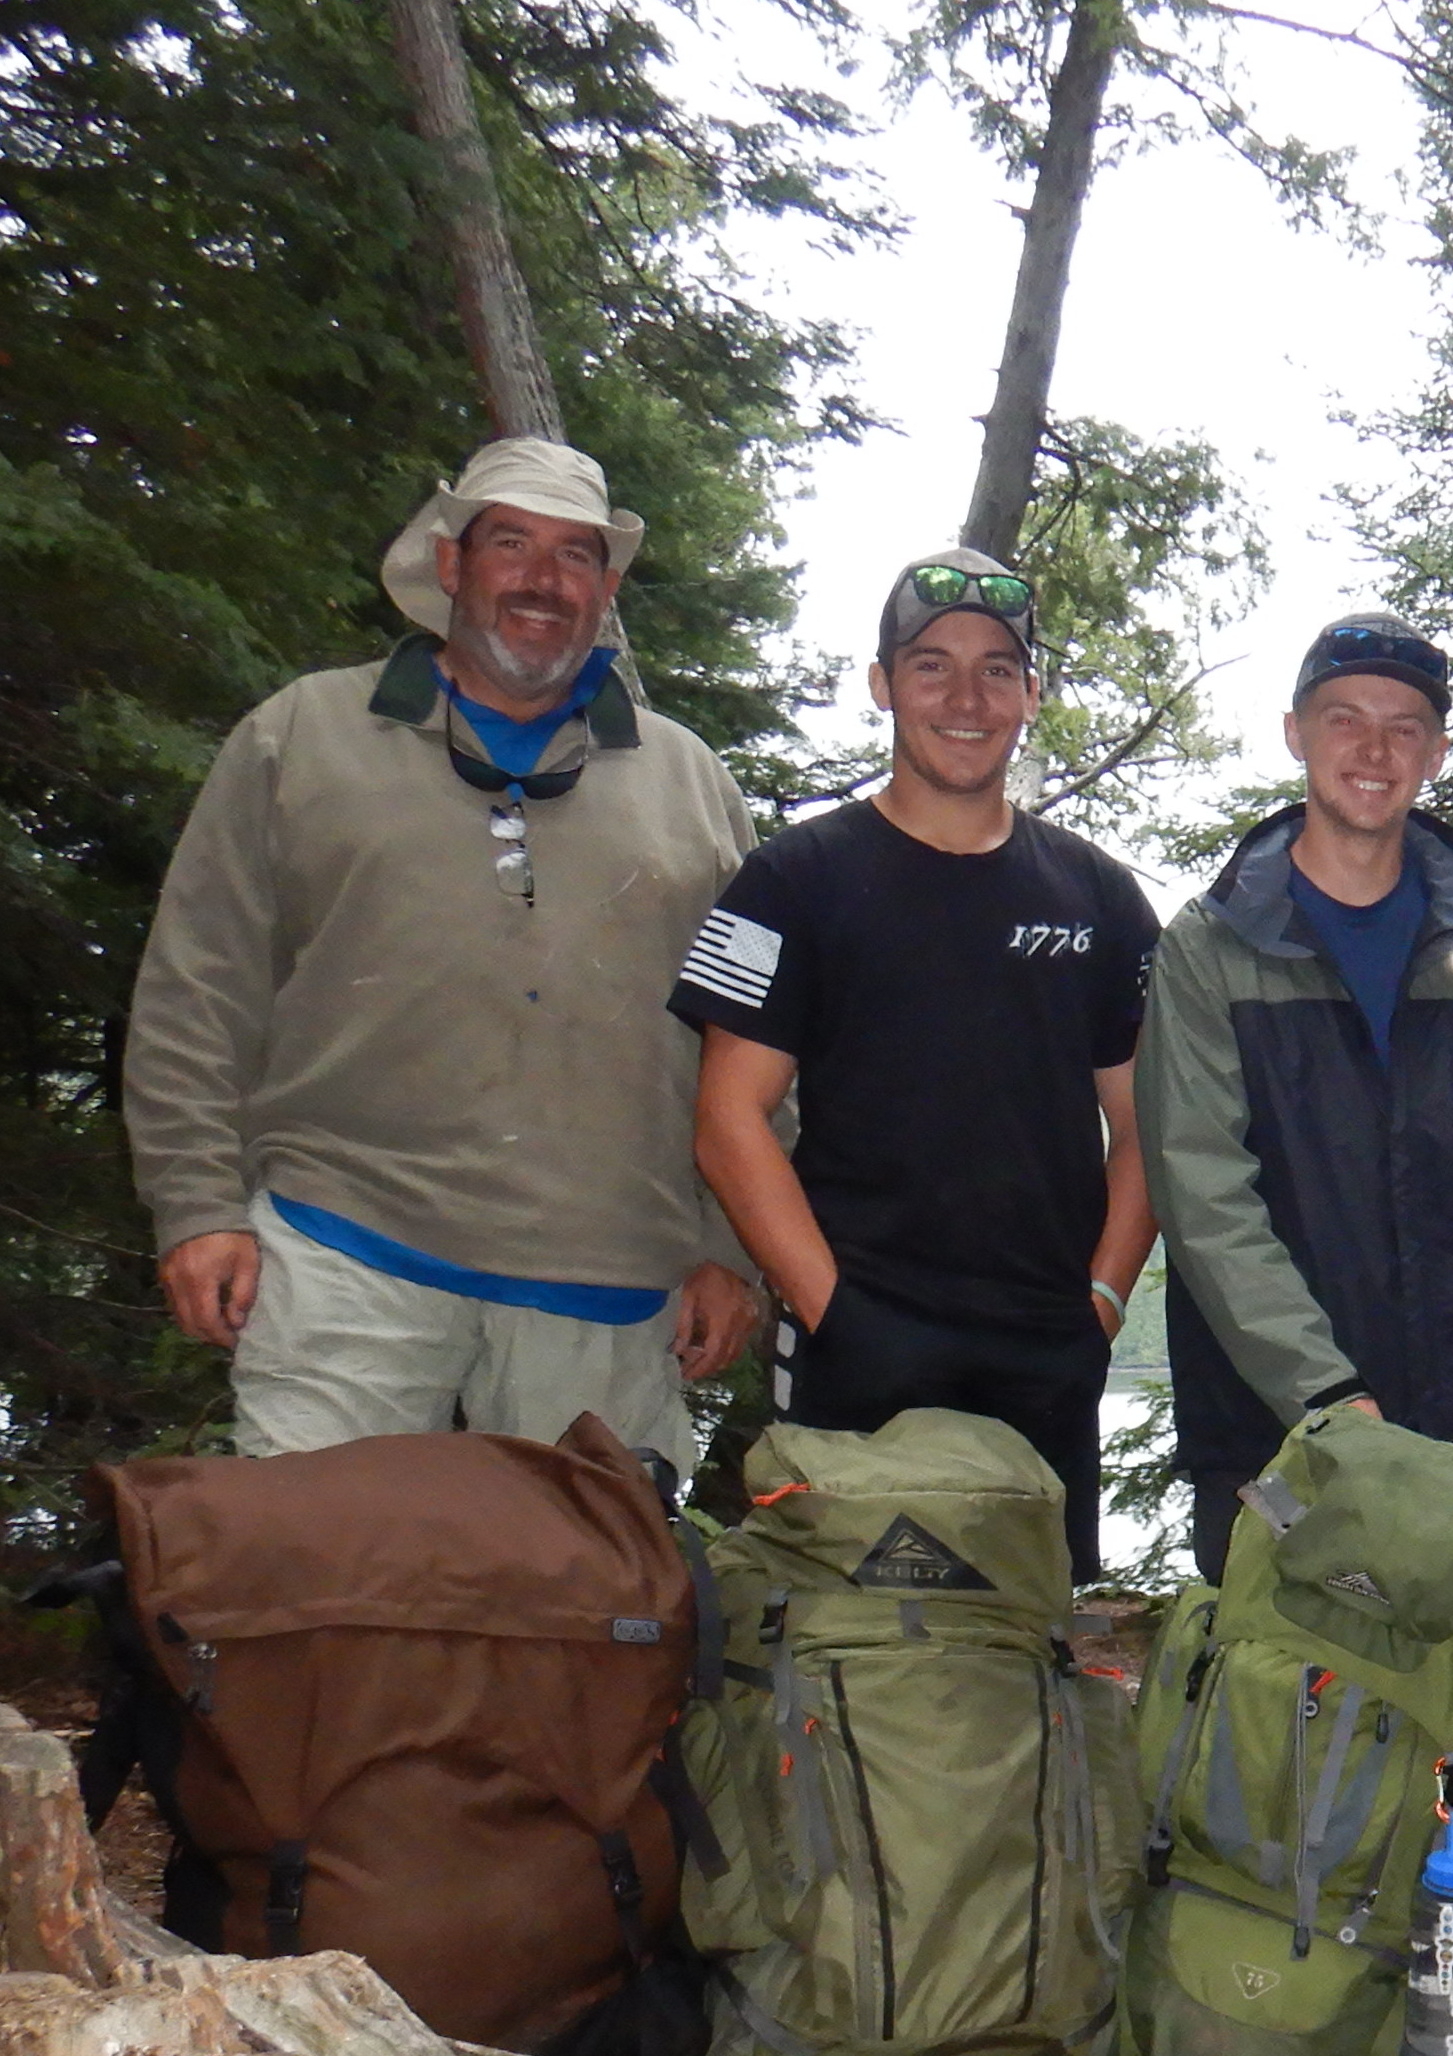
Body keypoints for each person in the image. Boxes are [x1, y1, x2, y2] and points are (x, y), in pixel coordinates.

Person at [126, 436, 761, 1473]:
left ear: (604, 591)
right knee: (317, 1595)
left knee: (589, 1618)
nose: (543, 579)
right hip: (343, 1246)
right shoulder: (300, 736)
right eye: (510, 541)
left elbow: (757, 1048)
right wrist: (196, 1206)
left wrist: (733, 1252)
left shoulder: (690, 783)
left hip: (605, 1280)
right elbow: (201, 988)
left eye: (576, 555)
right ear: (451, 563)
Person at [670, 547, 1160, 1582]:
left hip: (1045, 1350)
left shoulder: (1099, 899)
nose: (966, 696)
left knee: (1032, 1654)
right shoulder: (790, 881)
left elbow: (1147, 1127)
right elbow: (729, 1119)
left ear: (1031, 693)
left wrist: (1102, 1306)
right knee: (846, 1653)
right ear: (883, 685)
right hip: (860, 1341)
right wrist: (834, 1312)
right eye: (931, 665)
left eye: (997, 668)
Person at [1138, 610, 1453, 1576]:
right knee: (1277, 1709)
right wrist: (1326, 1397)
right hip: (1277, 1434)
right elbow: (1203, 1197)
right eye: (1343, 718)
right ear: (1296, 733)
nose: (1374, 748)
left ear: (1437, 752)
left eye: (1404, 725)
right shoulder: (1212, 949)